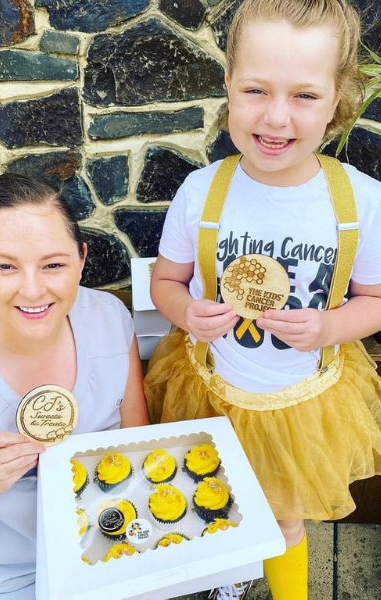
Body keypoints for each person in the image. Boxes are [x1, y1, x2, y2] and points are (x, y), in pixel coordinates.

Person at [144, 1, 381, 599]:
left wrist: (331, 328)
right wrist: (185, 312)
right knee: (215, 496)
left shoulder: (360, 202)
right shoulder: (202, 191)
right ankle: (231, 572)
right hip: (211, 387)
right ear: (228, 85)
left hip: (302, 404)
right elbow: (166, 282)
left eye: (304, 96)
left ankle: (290, 591)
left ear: (337, 100)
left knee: (283, 516)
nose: (276, 119)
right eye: (255, 89)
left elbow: (377, 299)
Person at [0, 174, 150, 599]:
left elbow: (138, 440)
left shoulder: (110, 318)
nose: (33, 289)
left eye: (53, 264)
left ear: (81, 259)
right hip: (3, 572)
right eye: (4, 266)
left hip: (110, 540)